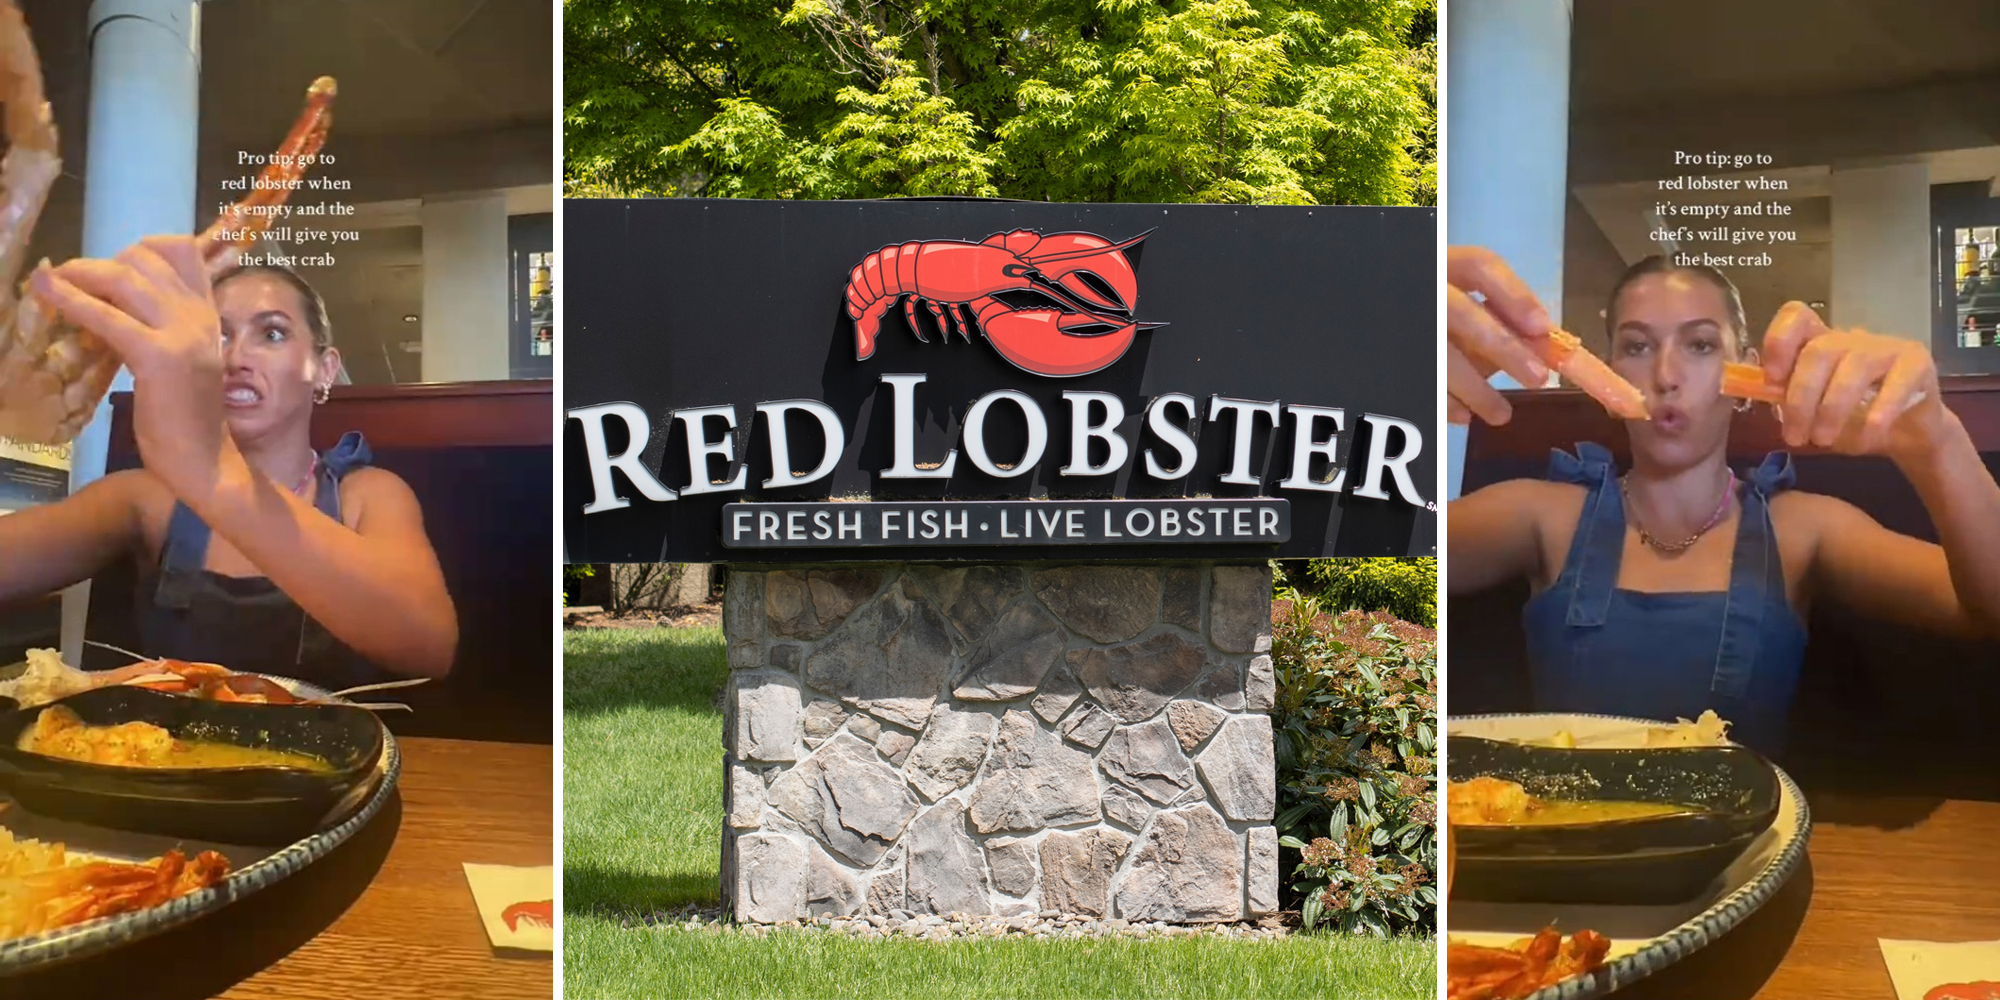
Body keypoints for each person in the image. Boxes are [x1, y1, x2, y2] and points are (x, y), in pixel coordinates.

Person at [1446, 246, 2000, 754]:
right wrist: (1397, 375)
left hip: (1750, 833)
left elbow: (1988, 613)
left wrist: (1937, 442)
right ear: (1608, 374)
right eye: (1637, 346)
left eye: (1701, 345)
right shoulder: (1541, 516)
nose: (1666, 375)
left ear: (1746, 374)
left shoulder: (1802, 530)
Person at [0, 235, 457, 687]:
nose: (236, 358)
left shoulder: (367, 495)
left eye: (272, 333)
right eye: (218, 336)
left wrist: (218, 476)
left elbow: (429, 644)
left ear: (324, 369)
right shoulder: (145, 497)